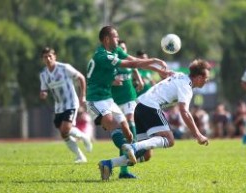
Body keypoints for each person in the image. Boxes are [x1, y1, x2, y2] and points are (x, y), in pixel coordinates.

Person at [98, 59, 210, 180]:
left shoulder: (180, 76)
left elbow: (169, 75)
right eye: (206, 78)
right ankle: (133, 147)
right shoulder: (186, 87)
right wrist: (198, 135)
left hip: (140, 106)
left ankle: (108, 164)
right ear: (198, 77)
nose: (206, 81)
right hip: (150, 106)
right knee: (169, 140)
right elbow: (184, 111)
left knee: (145, 154)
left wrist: (164, 72)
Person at [85, 26, 168, 173]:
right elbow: (131, 64)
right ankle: (126, 155)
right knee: (112, 123)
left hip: (108, 98)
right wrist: (154, 60)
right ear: (106, 39)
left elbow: (134, 60)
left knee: (127, 131)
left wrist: (157, 68)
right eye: (115, 36)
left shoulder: (116, 51)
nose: (118, 38)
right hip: (95, 98)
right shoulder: (102, 55)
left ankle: (119, 162)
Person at [39, 47, 92, 163]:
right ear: (43, 59)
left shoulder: (64, 68)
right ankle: (80, 156)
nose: (48, 59)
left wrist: (82, 96)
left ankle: (84, 137)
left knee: (66, 129)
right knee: (64, 134)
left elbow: (81, 78)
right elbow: (43, 90)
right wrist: (43, 93)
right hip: (58, 106)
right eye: (45, 57)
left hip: (71, 103)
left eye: (50, 56)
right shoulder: (43, 74)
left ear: (54, 57)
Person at [110, 40, 144, 179]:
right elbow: (100, 79)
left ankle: (133, 145)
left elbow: (135, 67)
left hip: (130, 98)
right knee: (123, 135)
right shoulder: (111, 63)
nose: (122, 51)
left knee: (130, 121)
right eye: (120, 49)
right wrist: (112, 81)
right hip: (114, 101)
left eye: (124, 48)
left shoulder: (128, 60)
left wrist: (140, 80)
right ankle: (123, 171)